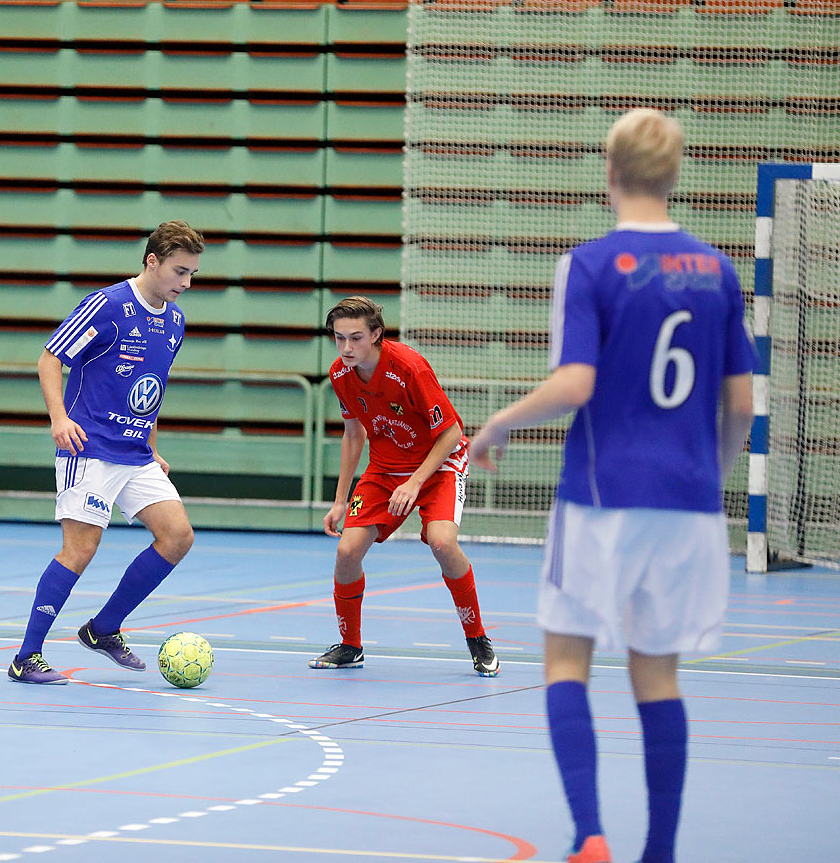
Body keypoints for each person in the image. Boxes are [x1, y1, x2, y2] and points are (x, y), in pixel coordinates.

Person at [470, 109, 755, 863]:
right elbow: (741, 406)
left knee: (567, 661)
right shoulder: (718, 269)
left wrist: (496, 425)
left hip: (601, 499)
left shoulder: (590, 264)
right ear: (674, 174)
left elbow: (576, 382)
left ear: (610, 173)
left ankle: (589, 835)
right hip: (689, 504)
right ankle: (658, 850)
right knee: (657, 673)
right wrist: (710, 480)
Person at [8, 221, 204, 684]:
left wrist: (152, 447)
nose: (186, 283)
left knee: (177, 536)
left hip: (134, 452)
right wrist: (59, 418)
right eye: (180, 271)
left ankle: (103, 628)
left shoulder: (175, 322)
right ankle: (25, 656)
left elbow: (151, 388)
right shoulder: (107, 304)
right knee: (81, 548)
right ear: (152, 261)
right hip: (90, 447)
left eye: (193, 274)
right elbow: (50, 358)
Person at [308, 295, 500, 677]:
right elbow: (352, 435)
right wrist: (340, 500)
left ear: (377, 334)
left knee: (442, 542)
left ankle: (477, 638)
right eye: (339, 338)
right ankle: (350, 646)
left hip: (438, 464)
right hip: (384, 469)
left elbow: (451, 432)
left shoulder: (409, 367)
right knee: (347, 551)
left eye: (356, 338)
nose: (347, 347)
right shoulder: (340, 374)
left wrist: (415, 482)